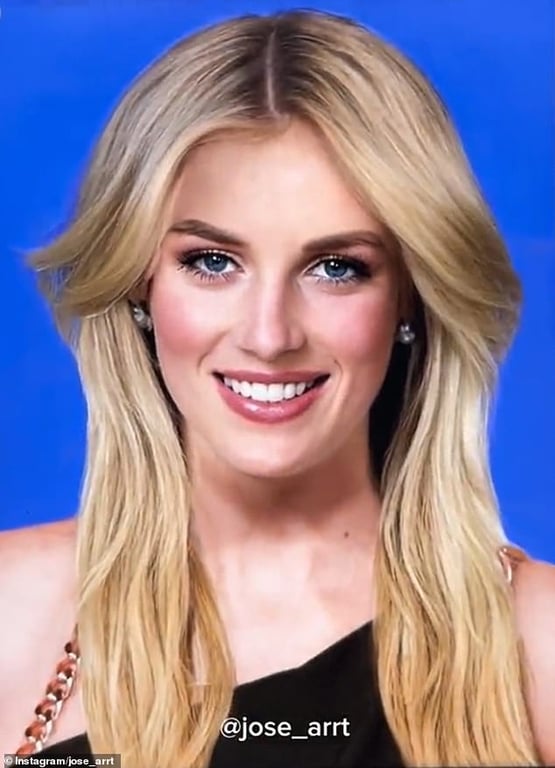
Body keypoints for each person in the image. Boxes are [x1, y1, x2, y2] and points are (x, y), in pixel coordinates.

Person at [0, 8, 553, 768]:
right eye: (212, 262)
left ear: (409, 296)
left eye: (336, 268)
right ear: (139, 282)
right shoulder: (11, 611)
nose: (269, 335)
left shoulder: (536, 643)